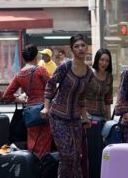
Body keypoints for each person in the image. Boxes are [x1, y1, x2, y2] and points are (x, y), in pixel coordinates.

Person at [41, 33, 92, 178]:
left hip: (75, 118)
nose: (80, 48)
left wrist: (85, 117)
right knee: (66, 156)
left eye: (83, 45)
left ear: (86, 47)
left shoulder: (89, 73)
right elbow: (50, 85)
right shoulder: (65, 66)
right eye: (77, 46)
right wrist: (46, 106)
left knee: (76, 156)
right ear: (72, 49)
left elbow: (82, 97)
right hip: (58, 116)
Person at [3, 44, 52, 158]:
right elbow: (52, 87)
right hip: (44, 111)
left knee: (32, 144)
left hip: (30, 113)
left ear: (24, 58)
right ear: (36, 57)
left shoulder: (19, 75)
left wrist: (20, 99)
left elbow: (6, 96)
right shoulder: (40, 70)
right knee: (44, 146)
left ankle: (31, 169)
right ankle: (43, 170)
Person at [86, 48, 113, 120]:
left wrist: (109, 119)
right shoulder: (88, 73)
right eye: (102, 60)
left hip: (103, 116)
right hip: (88, 116)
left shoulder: (109, 76)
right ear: (97, 60)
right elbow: (80, 96)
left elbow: (108, 99)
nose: (104, 63)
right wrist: (84, 115)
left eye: (107, 61)